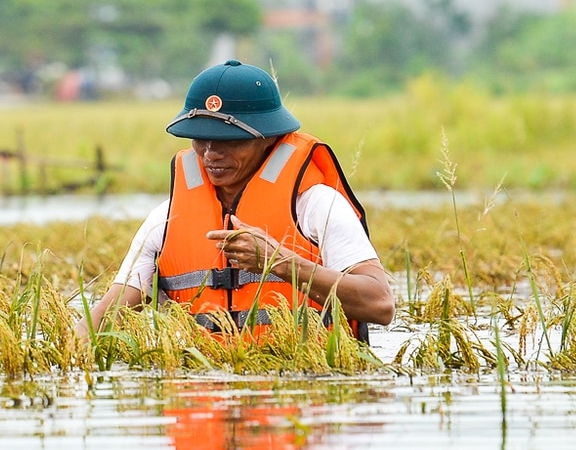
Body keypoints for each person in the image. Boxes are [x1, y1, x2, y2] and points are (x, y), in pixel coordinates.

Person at [86, 60, 395, 335]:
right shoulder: (165, 220)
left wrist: (281, 262)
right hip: (204, 389)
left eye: (229, 141)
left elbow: (380, 306)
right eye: (200, 139)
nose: (211, 154)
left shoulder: (317, 206)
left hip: (304, 384)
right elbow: (102, 320)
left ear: (269, 138)